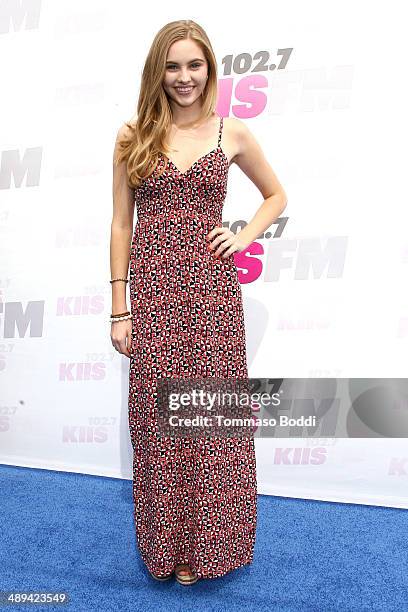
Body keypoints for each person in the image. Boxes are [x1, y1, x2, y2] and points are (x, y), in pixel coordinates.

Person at [110, 19, 287, 585]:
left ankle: (207, 548)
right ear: (156, 71)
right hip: (156, 298)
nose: (184, 77)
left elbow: (276, 194)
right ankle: (169, 548)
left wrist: (242, 235)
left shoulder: (230, 134)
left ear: (210, 68)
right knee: (159, 427)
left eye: (194, 65)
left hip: (212, 299)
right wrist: (121, 307)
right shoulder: (132, 135)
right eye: (172, 65)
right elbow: (119, 226)